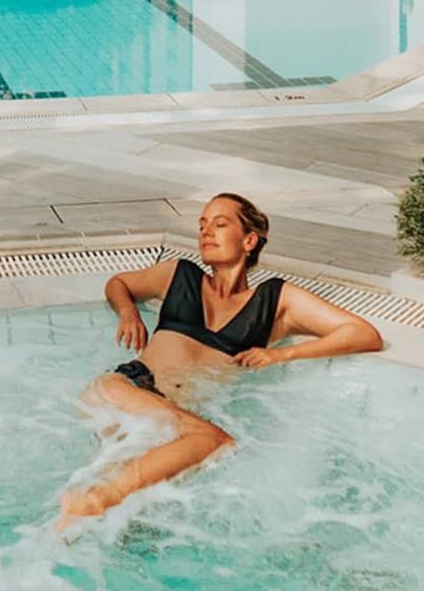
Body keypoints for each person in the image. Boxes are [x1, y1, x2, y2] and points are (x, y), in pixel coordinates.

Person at [58, 193, 383, 526]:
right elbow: (119, 283)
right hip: (128, 388)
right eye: (202, 225)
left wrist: (280, 354)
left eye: (219, 223)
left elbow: (363, 334)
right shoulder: (179, 275)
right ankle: (96, 501)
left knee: (134, 529)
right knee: (214, 441)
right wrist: (128, 313)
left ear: (249, 240)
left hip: (168, 423)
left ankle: (71, 520)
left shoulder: (274, 300)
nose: (206, 232)